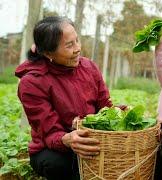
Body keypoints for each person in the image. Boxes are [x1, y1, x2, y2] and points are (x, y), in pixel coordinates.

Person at [15, 16, 123, 180]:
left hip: (90, 139)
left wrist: (116, 113)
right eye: (69, 45)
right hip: (53, 148)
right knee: (61, 165)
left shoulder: (88, 67)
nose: (78, 48)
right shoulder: (32, 83)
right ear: (48, 53)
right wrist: (69, 139)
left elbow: (104, 106)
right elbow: (50, 132)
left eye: (77, 41)